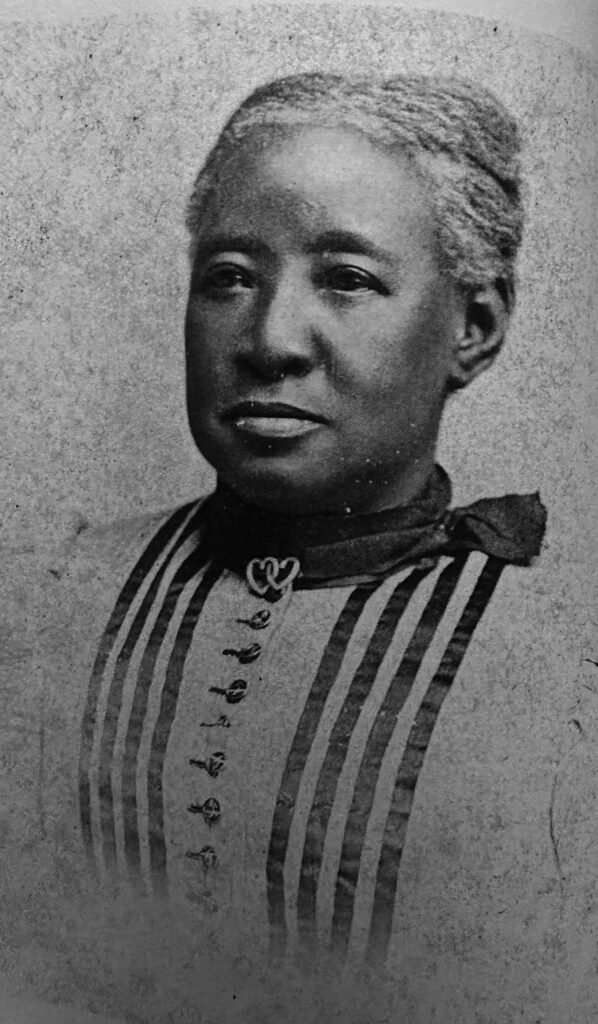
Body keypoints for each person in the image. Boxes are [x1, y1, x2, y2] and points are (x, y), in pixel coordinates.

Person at [1, 71, 591, 1024]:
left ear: (474, 328)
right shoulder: (54, 598)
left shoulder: (563, 660)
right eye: (229, 276)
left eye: (347, 280)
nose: (270, 341)